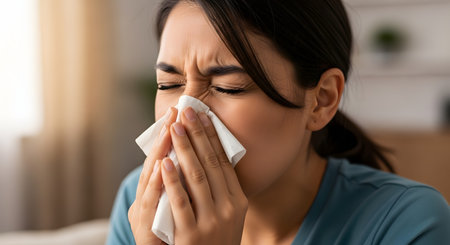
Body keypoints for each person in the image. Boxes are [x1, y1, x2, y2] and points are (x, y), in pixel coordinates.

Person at [106, 0, 450, 244]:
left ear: (322, 100)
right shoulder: (139, 203)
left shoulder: (407, 223)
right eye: (169, 84)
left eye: (230, 87)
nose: (184, 115)